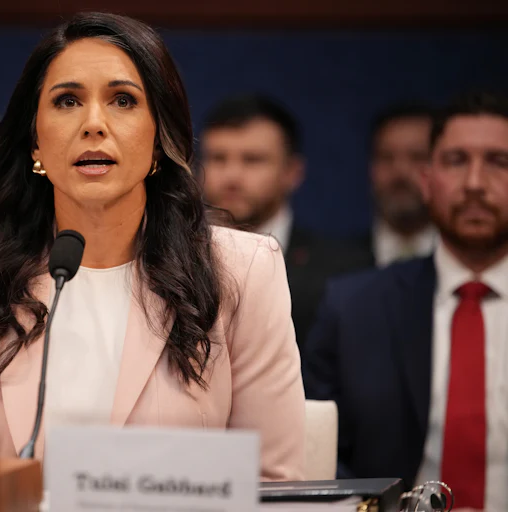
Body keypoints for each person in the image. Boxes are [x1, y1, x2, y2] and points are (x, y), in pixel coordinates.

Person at [0, 12, 305, 481]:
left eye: (123, 100)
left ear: (160, 139)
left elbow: (272, 480)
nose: (94, 124)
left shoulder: (242, 269)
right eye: (67, 101)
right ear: (36, 143)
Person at [303, 90, 508, 510]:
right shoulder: (355, 308)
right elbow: (314, 454)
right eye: (455, 161)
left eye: (498, 162)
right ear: (427, 180)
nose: (474, 183)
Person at [200, 94, 372, 343]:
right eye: (218, 158)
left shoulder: (345, 274)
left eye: (252, 160)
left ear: (292, 172)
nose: (232, 176)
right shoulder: (164, 263)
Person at [362, 103, 437, 266]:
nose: (400, 172)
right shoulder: (334, 267)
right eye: (386, 157)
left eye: (418, 157)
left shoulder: (465, 262)